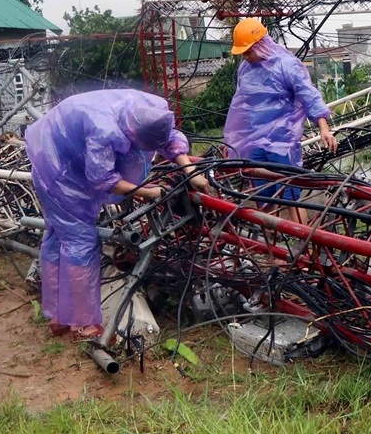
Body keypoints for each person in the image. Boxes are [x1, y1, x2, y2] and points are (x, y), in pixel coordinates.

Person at [25, 89, 208, 339]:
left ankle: (58, 314)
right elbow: (102, 179)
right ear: (132, 135)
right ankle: (81, 322)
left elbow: (166, 138)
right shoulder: (103, 130)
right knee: (79, 239)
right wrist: (148, 191)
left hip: (68, 144)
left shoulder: (151, 111)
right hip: (57, 168)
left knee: (58, 235)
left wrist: (190, 171)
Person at [222, 18, 338, 218]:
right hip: (254, 141)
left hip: (282, 141)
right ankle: (271, 244)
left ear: (262, 45)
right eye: (243, 53)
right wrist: (232, 142)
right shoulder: (245, 69)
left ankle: (303, 244)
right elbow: (241, 107)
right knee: (263, 195)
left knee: (290, 193)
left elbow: (308, 95)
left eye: (249, 51)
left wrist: (323, 127)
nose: (246, 57)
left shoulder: (287, 65)